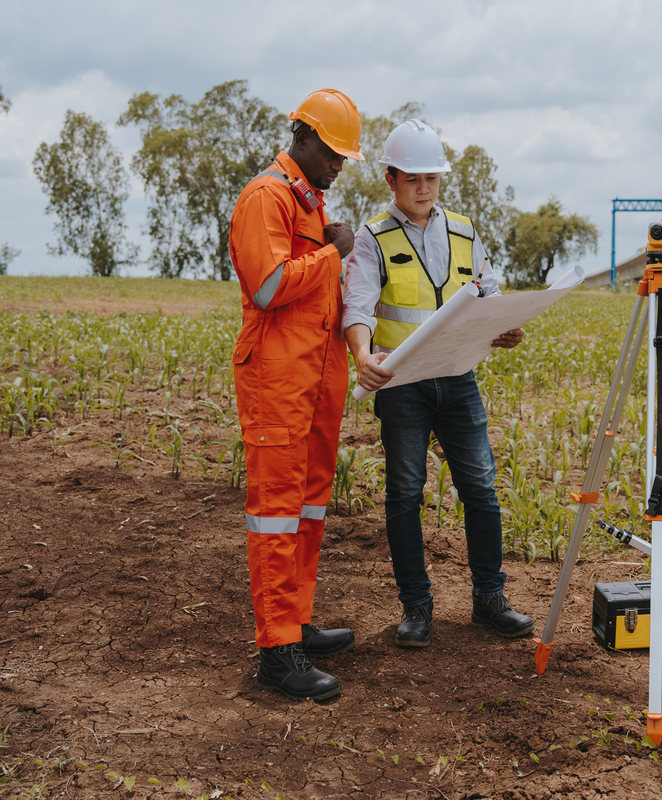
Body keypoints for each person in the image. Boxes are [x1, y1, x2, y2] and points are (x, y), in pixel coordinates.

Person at [342, 119, 533, 648]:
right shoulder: (372, 237)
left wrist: (501, 328)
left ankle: (489, 600)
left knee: (481, 491)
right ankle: (417, 607)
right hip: (402, 385)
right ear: (390, 180)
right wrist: (362, 354)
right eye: (411, 179)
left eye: (431, 177)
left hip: (459, 379)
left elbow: (487, 296)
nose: (423, 188)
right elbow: (356, 306)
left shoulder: (466, 232)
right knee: (405, 494)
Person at [228, 89, 362, 702]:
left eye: (343, 157)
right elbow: (270, 287)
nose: (338, 165)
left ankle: (298, 624)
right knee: (277, 513)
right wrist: (335, 251)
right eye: (332, 153)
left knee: (308, 506)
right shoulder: (267, 198)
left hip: (316, 381)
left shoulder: (312, 202)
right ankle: (277, 652)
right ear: (301, 138)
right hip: (278, 384)